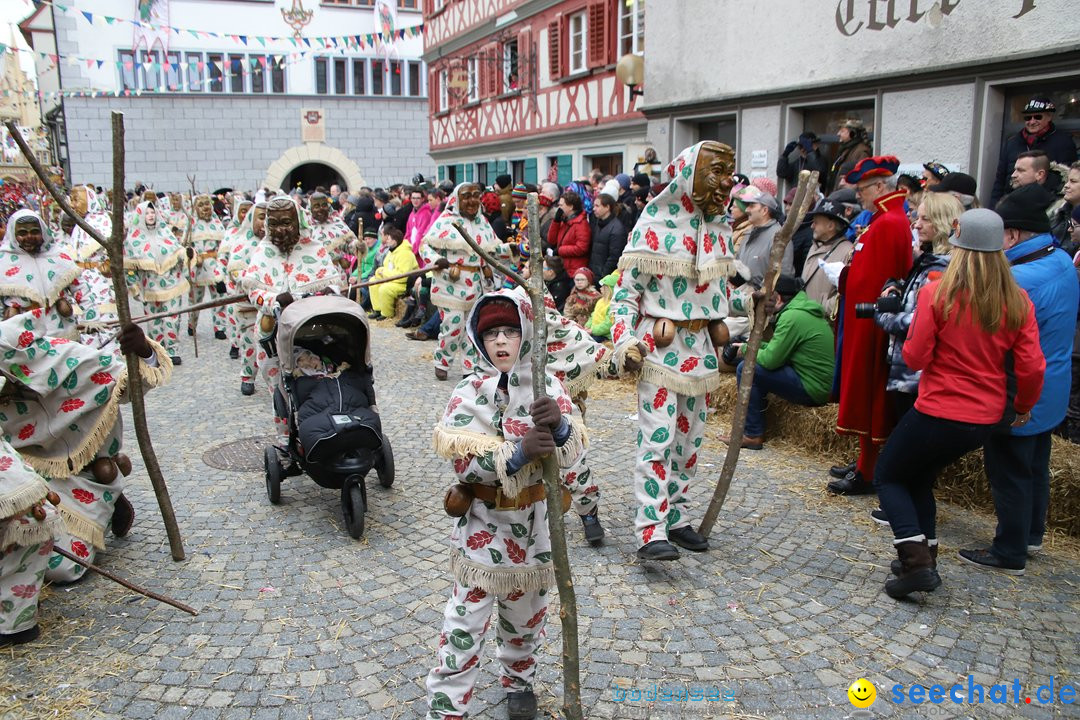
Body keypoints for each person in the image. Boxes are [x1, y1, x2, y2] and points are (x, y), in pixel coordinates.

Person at [426, 289, 587, 720]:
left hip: (534, 527)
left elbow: (575, 456)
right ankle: (446, 707)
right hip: (483, 526)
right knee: (463, 621)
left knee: (526, 615)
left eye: (510, 332)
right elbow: (461, 461)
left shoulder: (549, 386)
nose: (501, 341)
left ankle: (519, 681)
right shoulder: (468, 390)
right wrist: (515, 455)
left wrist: (561, 426)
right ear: (480, 340)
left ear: (527, 335)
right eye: (492, 333)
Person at [875, 209, 1044, 598]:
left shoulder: (938, 293)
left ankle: (915, 563)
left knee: (888, 475)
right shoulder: (1017, 300)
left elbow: (915, 358)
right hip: (984, 417)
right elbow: (1033, 366)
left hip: (939, 408)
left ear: (958, 247)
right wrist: (1023, 405)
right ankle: (924, 555)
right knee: (919, 476)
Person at [610, 141, 736, 560]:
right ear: (687, 176)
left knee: (690, 442)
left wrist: (748, 305)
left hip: (701, 354)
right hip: (659, 354)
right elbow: (624, 296)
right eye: (716, 171)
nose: (726, 182)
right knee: (658, 439)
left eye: (728, 172)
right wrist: (626, 340)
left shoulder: (720, 228)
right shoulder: (653, 223)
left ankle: (677, 515)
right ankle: (651, 529)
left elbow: (724, 291)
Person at [2, 309, 172, 586]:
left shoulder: (69, 359)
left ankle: (107, 507)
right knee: (17, 546)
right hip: (27, 480)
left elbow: (131, 386)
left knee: (60, 568)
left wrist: (142, 350)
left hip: (83, 478)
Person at [959, 184, 1079, 574]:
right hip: (1054, 380)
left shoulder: (1020, 279)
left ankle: (1009, 550)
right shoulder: (1060, 258)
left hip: (1021, 386)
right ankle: (1030, 534)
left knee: (1008, 469)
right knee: (1035, 464)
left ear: (1011, 235)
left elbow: (986, 330)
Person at [829, 156, 913, 496]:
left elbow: (894, 277)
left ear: (880, 187)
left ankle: (869, 470)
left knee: (871, 394)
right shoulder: (881, 220)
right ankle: (866, 460)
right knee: (863, 392)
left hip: (874, 326)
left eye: (863, 190)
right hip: (862, 322)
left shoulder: (891, 222)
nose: (859, 196)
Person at [242, 196, 344, 454]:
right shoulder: (262, 252)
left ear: (298, 221)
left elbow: (333, 282)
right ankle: (286, 440)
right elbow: (253, 290)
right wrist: (273, 299)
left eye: (286, 222)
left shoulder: (314, 249)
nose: (279, 230)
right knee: (280, 390)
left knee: (317, 381)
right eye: (273, 223)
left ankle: (322, 428)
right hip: (273, 334)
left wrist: (331, 291)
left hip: (312, 332)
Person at [725, 276, 835, 450]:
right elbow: (779, 350)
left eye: (765, 299)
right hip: (815, 382)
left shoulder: (792, 317)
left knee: (745, 368)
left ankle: (752, 434)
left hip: (813, 388)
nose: (762, 304)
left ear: (777, 298)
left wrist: (747, 350)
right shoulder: (799, 311)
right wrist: (752, 345)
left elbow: (770, 361)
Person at [421, 183, 509, 381]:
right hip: (450, 282)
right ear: (457, 199)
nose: (471, 201)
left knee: (472, 327)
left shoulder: (482, 222)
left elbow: (493, 249)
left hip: (475, 283)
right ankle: (442, 361)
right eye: (466, 196)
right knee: (453, 325)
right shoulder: (446, 221)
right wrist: (437, 262)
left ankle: (469, 366)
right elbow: (424, 246)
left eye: (476, 196)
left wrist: (513, 249)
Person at [0, 210, 83, 340]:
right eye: (22, 233)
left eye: (34, 232)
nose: (29, 237)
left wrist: (91, 320)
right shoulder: (2, 261)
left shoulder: (58, 255)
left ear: (43, 232)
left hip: (62, 333)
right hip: (23, 338)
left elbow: (81, 290)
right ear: (12, 234)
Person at [124, 201, 189, 364]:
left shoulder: (165, 232)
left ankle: (172, 350)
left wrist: (186, 255)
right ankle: (158, 351)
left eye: (153, 212)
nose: (150, 216)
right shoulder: (133, 239)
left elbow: (178, 251)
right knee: (154, 321)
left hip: (170, 283)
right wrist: (133, 286)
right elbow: (130, 267)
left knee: (172, 318)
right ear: (140, 216)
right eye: (147, 213)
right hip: (150, 286)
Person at [991, 96, 1078, 208]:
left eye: (1037, 116)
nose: (1032, 121)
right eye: (1028, 117)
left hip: (1044, 207)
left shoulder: (1063, 142)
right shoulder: (1012, 142)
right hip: (1010, 204)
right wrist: (993, 208)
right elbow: (1000, 180)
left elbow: (1067, 180)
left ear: (1049, 116)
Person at [222, 202, 265, 395]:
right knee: (249, 342)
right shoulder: (241, 242)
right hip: (249, 303)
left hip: (274, 304)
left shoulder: (277, 243)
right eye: (261, 217)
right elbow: (235, 269)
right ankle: (248, 376)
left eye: (268, 218)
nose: (265, 223)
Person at [801, 198, 854, 321]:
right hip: (806, 317)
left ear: (831, 226)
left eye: (816, 222)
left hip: (823, 322)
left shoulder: (848, 251)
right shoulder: (814, 247)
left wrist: (820, 307)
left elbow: (844, 294)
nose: (812, 226)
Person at [185, 194, 228, 341]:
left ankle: (220, 328)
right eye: (201, 205)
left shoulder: (217, 223)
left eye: (207, 204)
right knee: (195, 299)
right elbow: (185, 246)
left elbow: (223, 246)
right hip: (198, 267)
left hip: (214, 266)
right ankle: (192, 323)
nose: (205, 208)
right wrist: (192, 256)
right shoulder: (191, 225)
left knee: (219, 298)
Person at [368, 226, 419, 321]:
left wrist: (384, 273)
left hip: (404, 283)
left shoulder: (405, 254)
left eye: (389, 239)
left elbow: (403, 276)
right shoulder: (392, 251)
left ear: (395, 241)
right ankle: (378, 309)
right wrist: (381, 272)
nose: (386, 241)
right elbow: (386, 267)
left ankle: (387, 314)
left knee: (385, 289)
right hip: (392, 279)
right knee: (373, 281)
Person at [546, 190, 591, 276]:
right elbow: (551, 240)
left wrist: (559, 251)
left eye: (561, 205)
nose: (559, 208)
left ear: (570, 207)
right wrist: (556, 221)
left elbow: (581, 248)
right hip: (564, 267)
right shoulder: (565, 221)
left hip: (573, 270)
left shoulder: (581, 224)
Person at [589, 194, 628, 281]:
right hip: (595, 273)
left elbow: (614, 257)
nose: (594, 209)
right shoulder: (598, 224)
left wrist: (604, 275)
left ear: (607, 207)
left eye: (597, 206)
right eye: (593, 206)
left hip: (604, 277)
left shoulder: (617, 229)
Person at [828, 118, 873, 193]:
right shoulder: (845, 149)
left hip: (849, 195)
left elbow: (861, 178)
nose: (838, 134)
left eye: (842, 131)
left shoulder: (862, 151)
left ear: (853, 134)